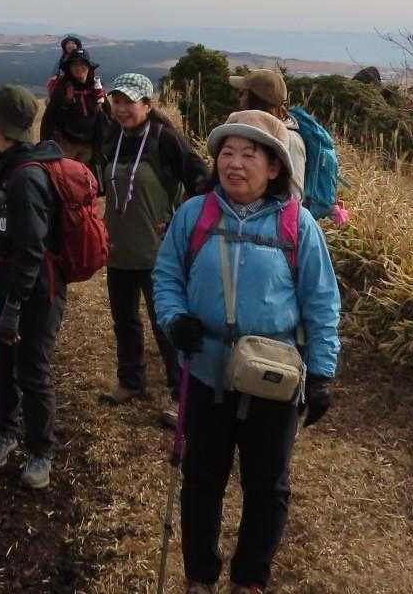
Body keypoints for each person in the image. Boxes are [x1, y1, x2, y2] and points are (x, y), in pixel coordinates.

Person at [153, 110, 341, 594]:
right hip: (206, 369)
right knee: (201, 478)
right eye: (227, 153)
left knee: (267, 485)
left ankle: (250, 578)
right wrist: (175, 319)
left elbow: (322, 302)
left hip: (274, 376)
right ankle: (200, 576)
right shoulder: (194, 214)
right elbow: (167, 275)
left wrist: (321, 372)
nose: (234, 164)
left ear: (274, 166)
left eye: (249, 154)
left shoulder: (298, 224)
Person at [0, 84, 67, 491]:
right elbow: (8, 234)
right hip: (10, 280)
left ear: (1, 125)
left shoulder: (27, 176)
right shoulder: (6, 164)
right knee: (4, 363)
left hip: (36, 288)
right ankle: (4, 432)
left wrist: (14, 307)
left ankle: (41, 451)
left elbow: (32, 249)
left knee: (32, 368)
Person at [96, 73, 206, 421]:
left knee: (166, 324)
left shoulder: (165, 139)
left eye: (129, 102)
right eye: (117, 101)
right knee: (124, 319)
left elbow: (201, 182)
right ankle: (130, 381)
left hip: (159, 253)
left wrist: (181, 222)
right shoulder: (113, 137)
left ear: (148, 104)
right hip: (119, 248)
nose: (121, 109)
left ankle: (180, 394)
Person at [229, 70, 306, 201]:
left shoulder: (291, 139)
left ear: (254, 100)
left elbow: (295, 196)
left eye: (243, 94)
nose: (240, 99)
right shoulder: (248, 131)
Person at [38, 47, 110, 168]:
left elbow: (108, 114)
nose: (78, 68)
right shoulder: (63, 88)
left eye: (83, 64)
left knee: (87, 176)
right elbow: (49, 116)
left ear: (89, 67)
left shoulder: (97, 89)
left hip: (90, 145)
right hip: (66, 145)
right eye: (74, 65)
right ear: (69, 68)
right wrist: (44, 144)